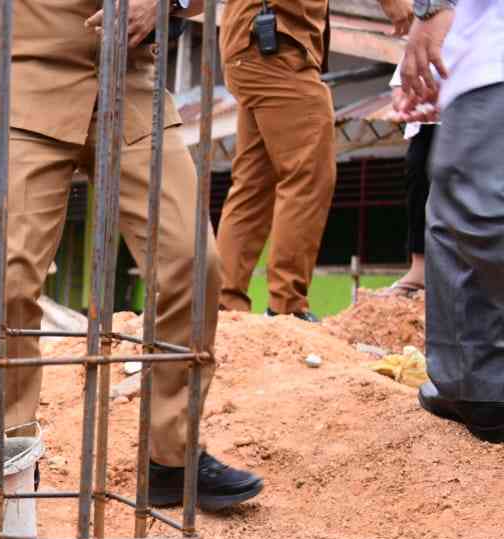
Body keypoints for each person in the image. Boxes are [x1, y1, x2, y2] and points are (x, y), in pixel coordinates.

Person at [0, 0, 264, 512]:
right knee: (8, 283)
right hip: (30, 92)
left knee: (193, 260)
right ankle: (9, 460)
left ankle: (172, 458)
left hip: (133, 89)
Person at [216, 0, 413, 321]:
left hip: (252, 45)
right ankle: (286, 305)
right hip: (276, 45)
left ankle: (223, 303)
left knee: (254, 183)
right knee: (309, 173)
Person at [398, 0, 504, 443]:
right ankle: (477, 388)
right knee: (446, 216)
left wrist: (432, 8)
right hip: (475, 61)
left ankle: (477, 384)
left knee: (476, 211)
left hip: (492, 59)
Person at [377, 58, 443, 298]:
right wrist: (402, 97)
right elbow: (400, 80)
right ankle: (419, 270)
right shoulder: (425, 23)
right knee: (418, 182)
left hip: (474, 114)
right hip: (426, 121)